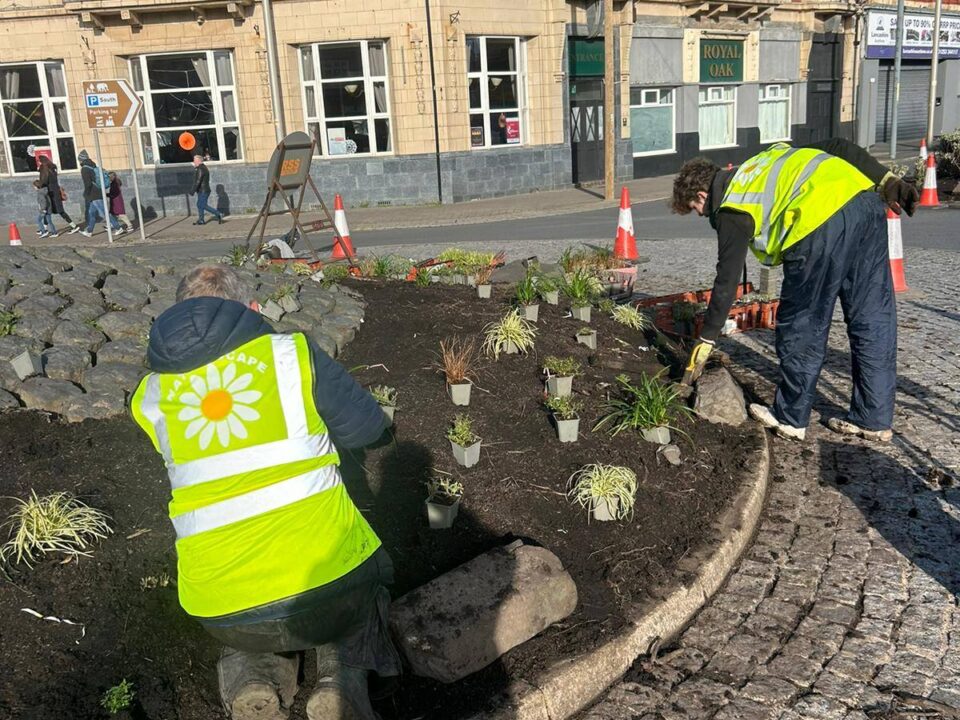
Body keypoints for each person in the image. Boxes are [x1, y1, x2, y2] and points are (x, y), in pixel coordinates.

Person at [129, 265, 399, 720]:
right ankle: (342, 677)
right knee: (369, 574)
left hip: (220, 611)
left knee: (250, 620)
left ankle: (253, 677)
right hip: (332, 594)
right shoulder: (289, 355)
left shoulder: (150, 397)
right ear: (252, 310)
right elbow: (370, 429)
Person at [671, 138, 919, 443]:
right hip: (866, 205)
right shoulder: (768, 157)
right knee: (872, 317)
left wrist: (706, 337)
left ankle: (790, 418)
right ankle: (873, 417)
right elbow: (837, 146)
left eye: (696, 209)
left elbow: (727, 279)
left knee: (803, 322)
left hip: (820, 224)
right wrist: (886, 178)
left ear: (702, 194)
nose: (701, 215)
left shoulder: (731, 206)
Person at [77, 149, 123, 238]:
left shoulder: (85, 169)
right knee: (92, 213)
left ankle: (118, 228)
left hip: (94, 194)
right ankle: (89, 231)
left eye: (79, 160)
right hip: (98, 191)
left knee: (104, 212)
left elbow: (88, 184)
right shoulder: (93, 166)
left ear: (81, 160)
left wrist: (86, 194)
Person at [37, 155, 80, 234]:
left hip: (50, 192)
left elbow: (44, 181)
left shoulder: (44, 168)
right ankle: (44, 228)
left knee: (50, 210)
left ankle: (74, 226)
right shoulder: (52, 168)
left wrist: (38, 184)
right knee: (53, 211)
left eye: (38, 161)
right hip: (55, 191)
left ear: (41, 161)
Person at [192, 154, 224, 225]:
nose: (193, 162)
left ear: (199, 161)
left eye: (194, 160)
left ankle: (219, 214)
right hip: (203, 190)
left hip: (203, 190)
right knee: (199, 204)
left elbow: (198, 181)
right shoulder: (202, 167)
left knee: (203, 205)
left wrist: (192, 191)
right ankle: (201, 220)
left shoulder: (200, 169)